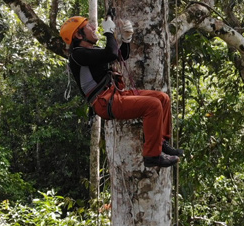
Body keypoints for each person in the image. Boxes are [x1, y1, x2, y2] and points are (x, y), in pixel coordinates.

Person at [60, 15, 183, 168]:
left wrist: (126, 40)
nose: (93, 28)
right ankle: (152, 155)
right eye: (89, 27)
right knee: (153, 105)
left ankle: (160, 142)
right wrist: (109, 32)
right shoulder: (78, 55)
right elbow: (110, 53)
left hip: (115, 94)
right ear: (79, 35)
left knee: (163, 98)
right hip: (104, 102)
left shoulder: (92, 51)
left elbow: (119, 55)